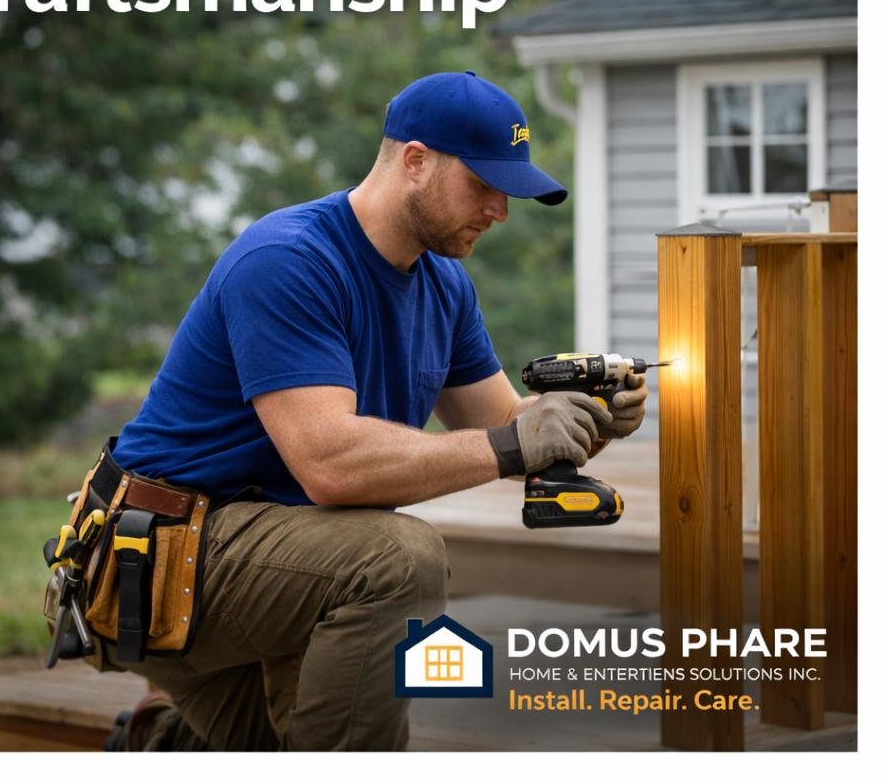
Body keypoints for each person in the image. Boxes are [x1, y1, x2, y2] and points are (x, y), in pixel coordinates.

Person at [103, 71, 647, 751]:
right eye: (483, 185)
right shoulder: (289, 260)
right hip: (170, 556)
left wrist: (583, 420)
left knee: (284, 740)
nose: (500, 211)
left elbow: (499, 428)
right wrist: (517, 440)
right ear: (415, 162)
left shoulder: (444, 282)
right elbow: (329, 465)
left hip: (286, 558)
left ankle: (164, 740)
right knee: (395, 560)